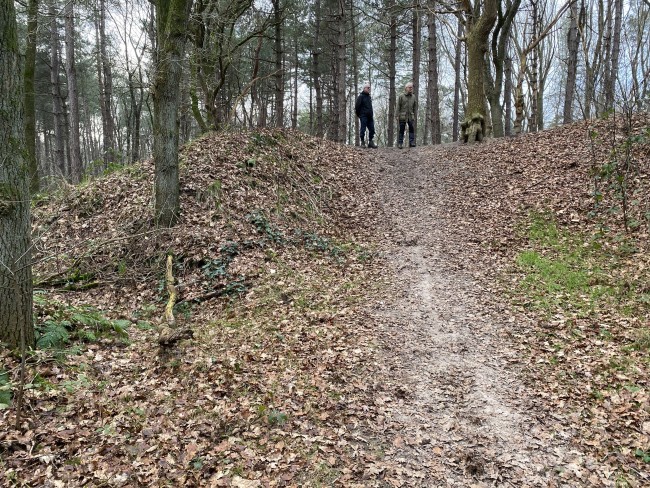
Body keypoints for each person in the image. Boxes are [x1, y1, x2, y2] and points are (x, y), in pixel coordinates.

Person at [355, 82, 377, 148]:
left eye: (369, 88)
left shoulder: (369, 97)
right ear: (364, 88)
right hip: (363, 116)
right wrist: (360, 115)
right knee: (363, 129)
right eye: (368, 88)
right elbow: (357, 107)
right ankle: (362, 142)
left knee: (372, 129)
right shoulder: (360, 97)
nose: (369, 89)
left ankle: (370, 142)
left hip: (370, 116)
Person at [397, 82, 417, 148]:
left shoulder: (413, 97)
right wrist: (397, 115)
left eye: (412, 87)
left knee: (411, 129)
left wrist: (414, 114)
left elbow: (415, 107)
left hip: (411, 116)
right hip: (402, 116)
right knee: (401, 130)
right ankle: (400, 143)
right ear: (406, 88)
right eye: (409, 87)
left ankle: (411, 142)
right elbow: (398, 106)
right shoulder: (401, 96)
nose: (411, 89)